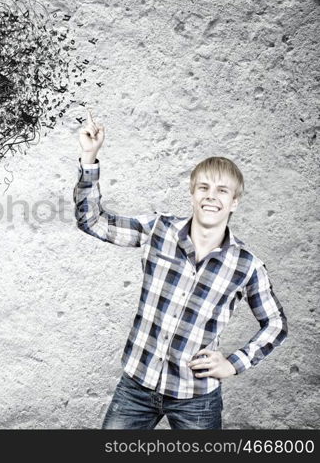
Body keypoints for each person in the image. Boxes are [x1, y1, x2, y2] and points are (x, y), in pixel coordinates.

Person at [74, 110, 288, 429]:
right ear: (192, 193)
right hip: (137, 385)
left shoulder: (246, 265)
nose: (211, 197)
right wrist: (89, 158)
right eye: (203, 188)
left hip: (196, 398)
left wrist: (233, 363)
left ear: (234, 203)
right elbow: (92, 221)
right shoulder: (158, 230)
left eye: (222, 191)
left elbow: (276, 324)